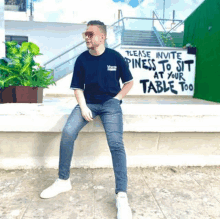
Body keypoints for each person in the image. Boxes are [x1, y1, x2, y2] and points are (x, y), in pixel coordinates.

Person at [40, 20, 133, 219]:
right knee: (67, 133)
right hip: (88, 102)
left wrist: (117, 99)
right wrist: (83, 107)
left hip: (110, 104)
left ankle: (121, 195)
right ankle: (63, 180)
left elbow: (128, 82)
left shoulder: (115, 57)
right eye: (86, 34)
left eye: (91, 34)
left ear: (102, 36)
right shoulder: (82, 59)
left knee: (116, 144)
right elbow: (77, 87)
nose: (87, 37)